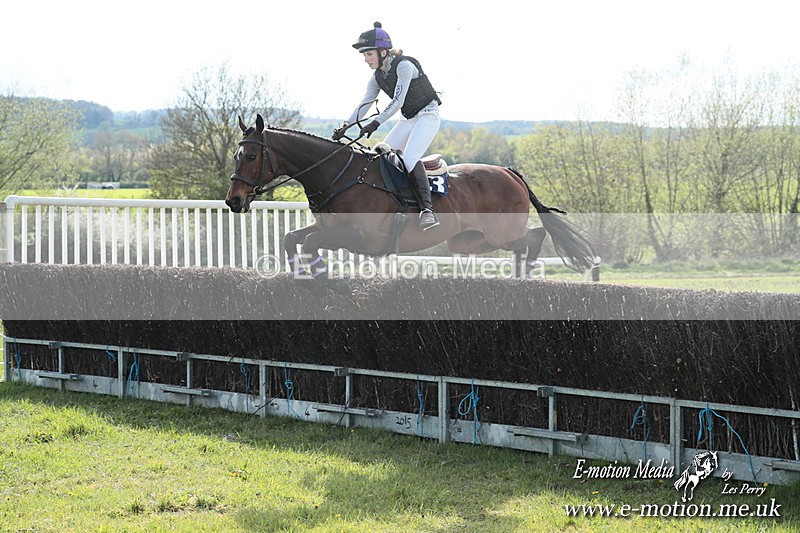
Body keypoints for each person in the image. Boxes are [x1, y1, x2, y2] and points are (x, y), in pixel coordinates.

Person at [332, 21, 442, 230]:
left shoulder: (405, 66)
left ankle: (427, 210)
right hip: (408, 119)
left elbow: (397, 101)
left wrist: (375, 123)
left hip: (428, 116)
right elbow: (364, 103)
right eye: (364, 55)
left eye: (368, 54)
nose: (366, 60)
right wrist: (345, 126)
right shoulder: (377, 77)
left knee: (408, 159)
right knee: (379, 155)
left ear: (383, 52)